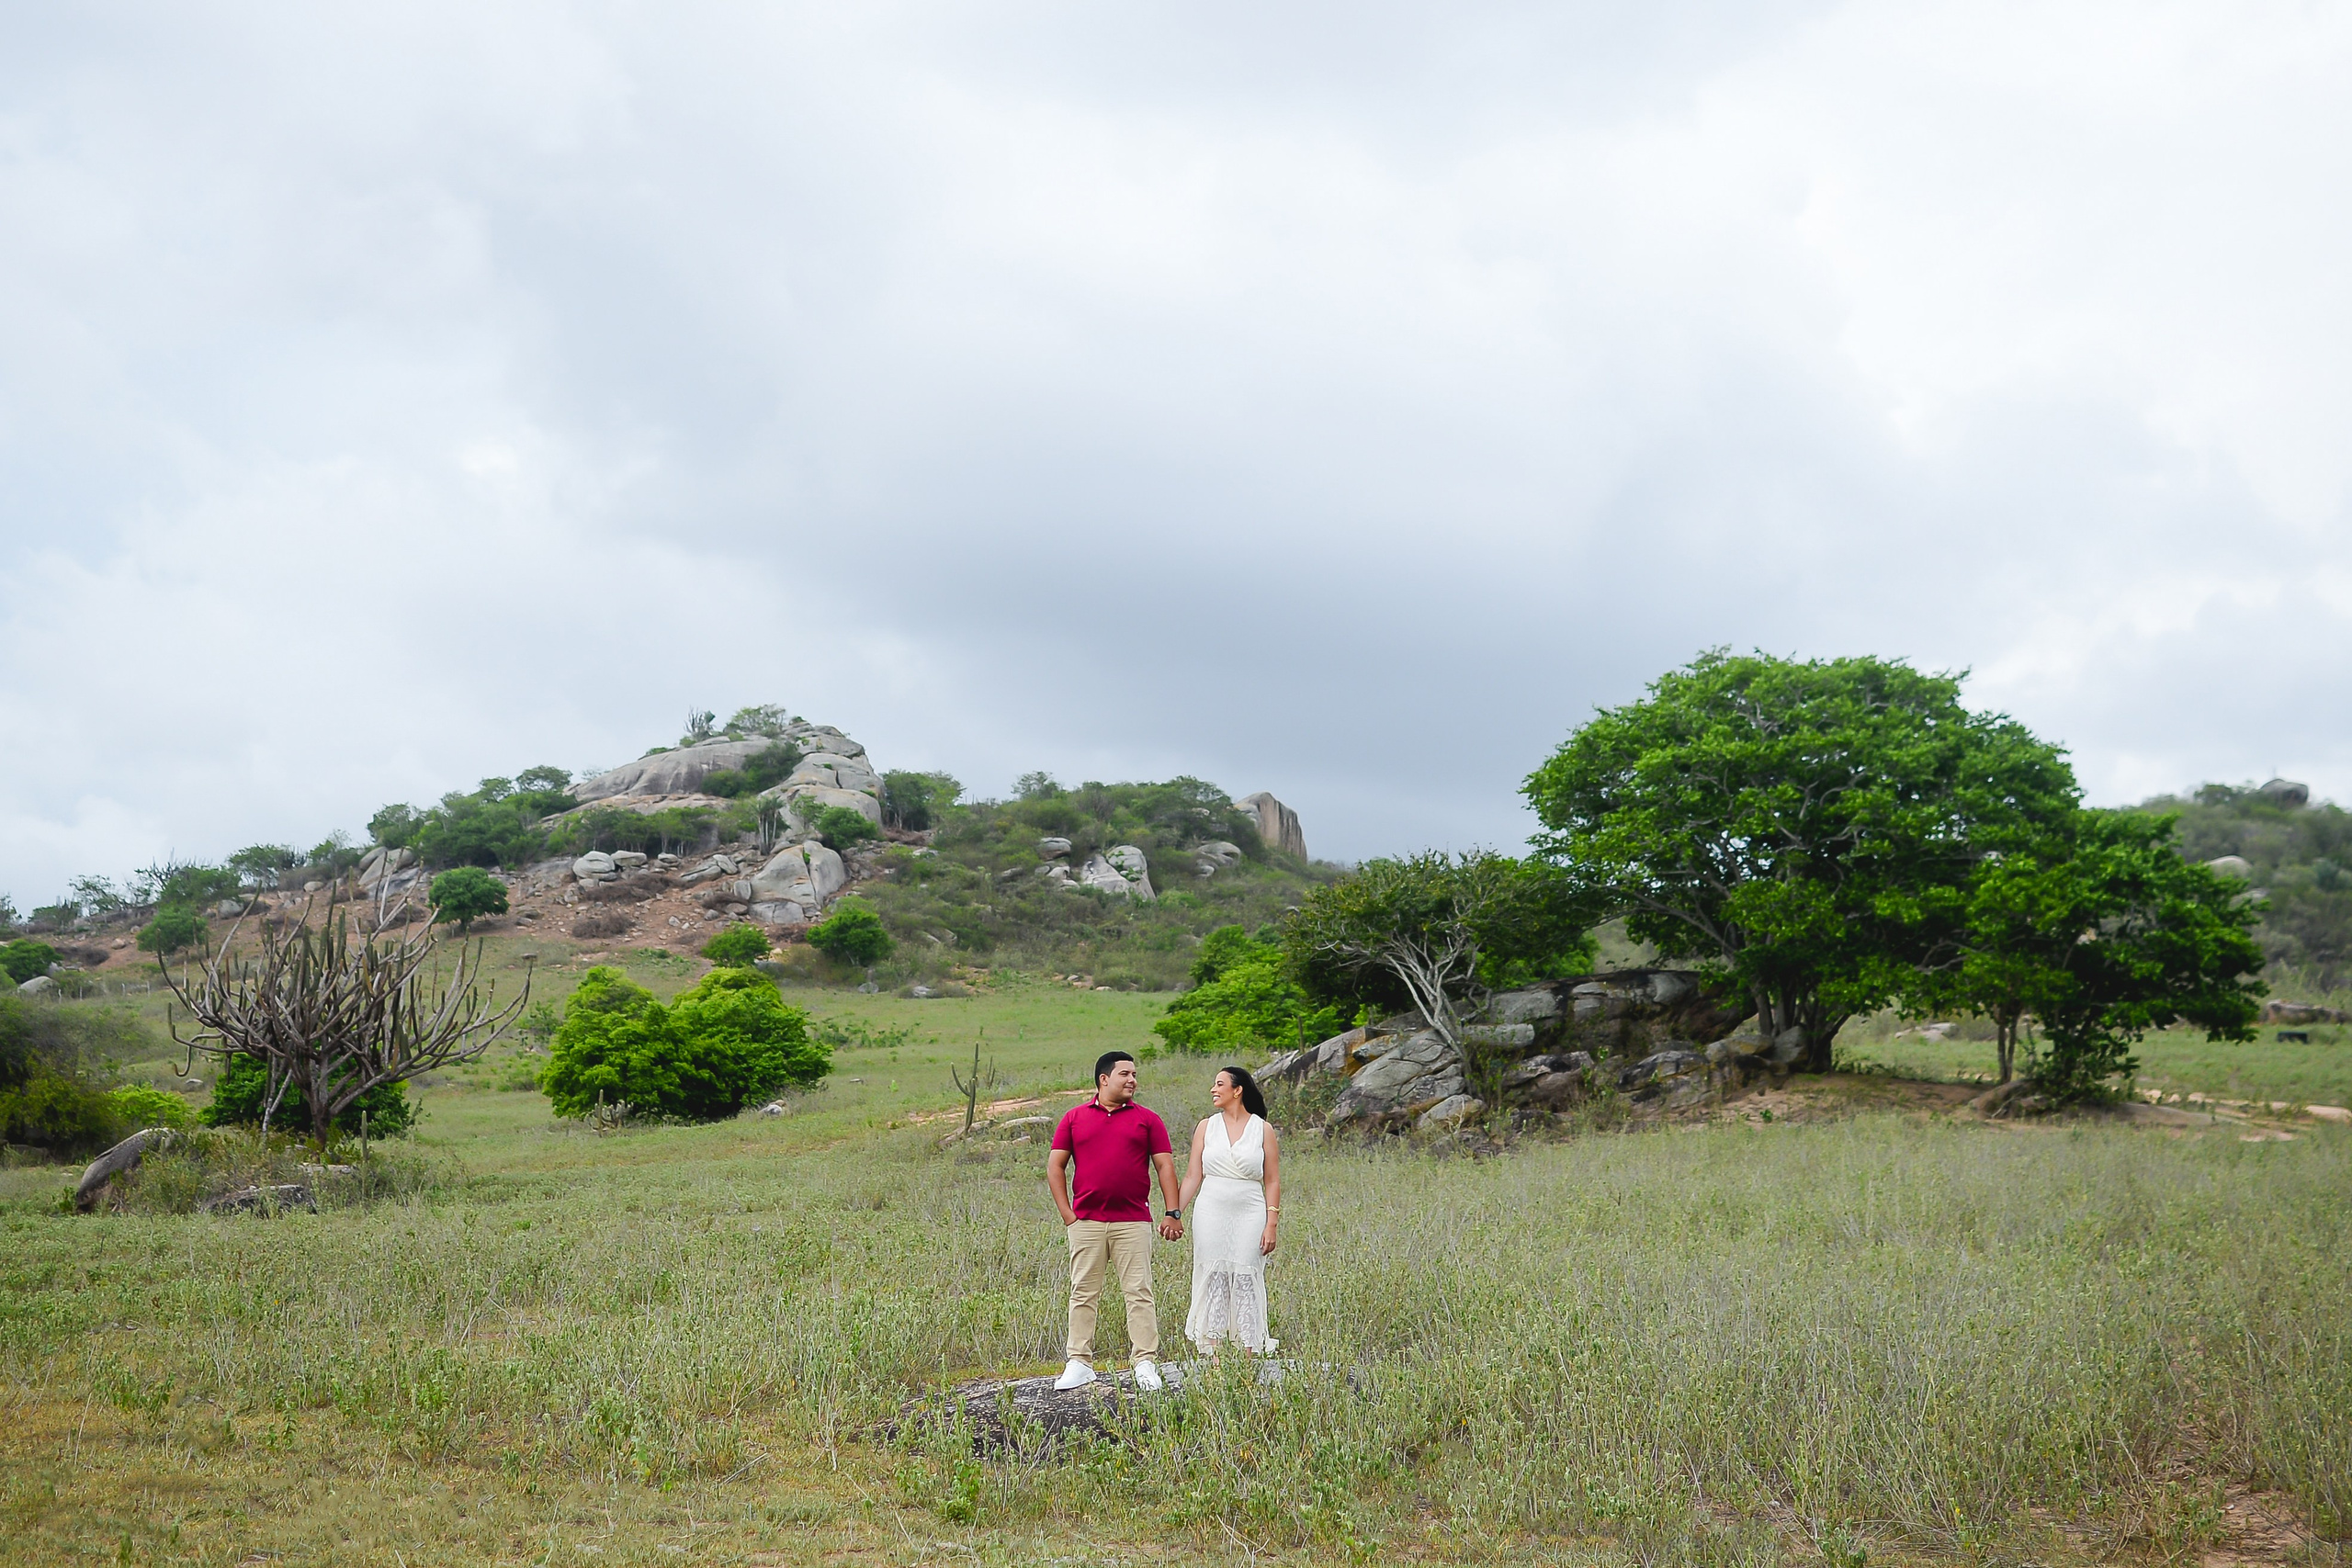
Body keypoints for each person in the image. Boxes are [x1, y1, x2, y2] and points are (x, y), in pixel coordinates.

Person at [1047, 1050, 1182, 1392]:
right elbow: (1055, 1166)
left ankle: (1145, 1362)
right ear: (1104, 1079)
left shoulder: (1148, 1119)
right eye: (1125, 1074)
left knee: (1139, 1292)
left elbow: (1165, 1166)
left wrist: (1173, 1211)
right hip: (1087, 1222)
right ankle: (1078, 1362)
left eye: (1134, 1074)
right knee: (1082, 1292)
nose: (1132, 1080)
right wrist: (1068, 1215)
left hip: (1133, 1221)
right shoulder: (1074, 1118)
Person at [1178, 1064, 1281, 1355]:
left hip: (1250, 1208)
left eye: (1220, 1084)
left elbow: (1272, 1179)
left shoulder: (1263, 1129)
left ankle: (1249, 1349)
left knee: (1246, 1273)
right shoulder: (1205, 1127)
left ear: (1237, 1090)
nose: (1213, 1089)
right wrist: (1174, 1212)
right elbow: (1192, 1176)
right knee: (1215, 1275)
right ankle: (1214, 1352)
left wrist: (1271, 1222)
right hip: (1211, 1207)